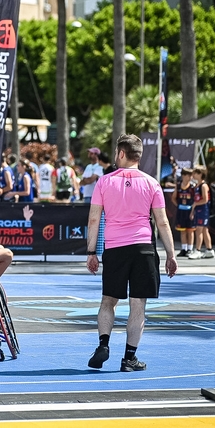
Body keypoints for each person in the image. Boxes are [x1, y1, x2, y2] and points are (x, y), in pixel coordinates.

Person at [86, 134, 177, 372]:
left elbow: (94, 219)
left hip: (115, 248)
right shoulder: (151, 183)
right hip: (143, 248)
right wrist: (171, 254)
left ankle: (103, 344)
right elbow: (162, 222)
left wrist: (91, 252)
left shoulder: (104, 182)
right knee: (138, 305)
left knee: (108, 300)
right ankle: (129, 358)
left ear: (121, 153)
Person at [188, 166, 215, 259]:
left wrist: (195, 204)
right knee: (204, 230)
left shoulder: (203, 186)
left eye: (195, 173)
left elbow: (205, 199)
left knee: (199, 230)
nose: (193, 175)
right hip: (198, 210)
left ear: (200, 174)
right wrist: (192, 211)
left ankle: (198, 250)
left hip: (203, 210)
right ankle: (209, 249)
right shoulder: (196, 186)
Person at [171, 168, 195, 258]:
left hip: (190, 211)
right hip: (181, 211)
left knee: (190, 230)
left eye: (191, 175)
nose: (190, 177)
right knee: (182, 231)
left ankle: (190, 249)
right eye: (189, 175)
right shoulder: (178, 185)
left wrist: (193, 210)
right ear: (183, 176)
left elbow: (195, 199)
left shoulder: (192, 187)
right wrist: (178, 205)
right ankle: (184, 249)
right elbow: (173, 198)